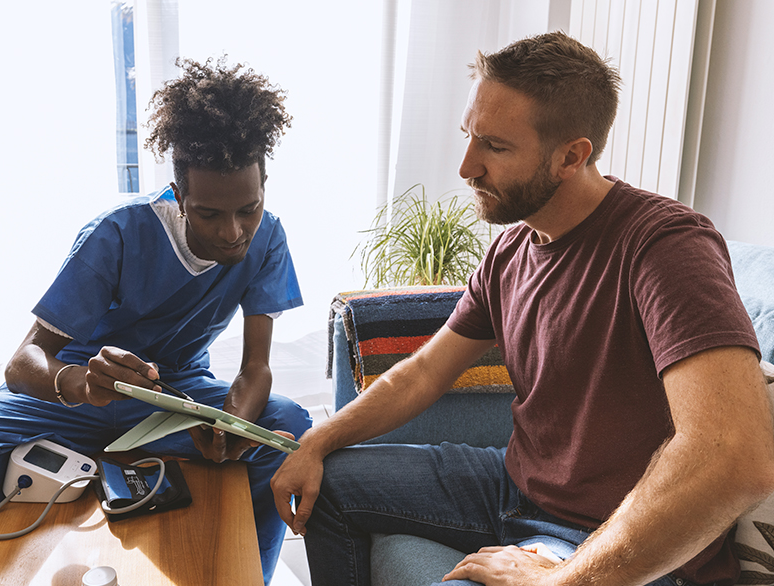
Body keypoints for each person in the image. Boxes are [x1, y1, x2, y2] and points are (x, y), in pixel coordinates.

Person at [270, 32, 774, 586]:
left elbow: (734, 457)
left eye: (495, 146)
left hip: (601, 528)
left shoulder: (664, 245)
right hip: (511, 485)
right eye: (469, 137)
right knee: (329, 480)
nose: (466, 168)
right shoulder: (511, 250)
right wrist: (316, 440)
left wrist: (559, 580)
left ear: (572, 156)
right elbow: (420, 374)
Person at [0, 56, 311, 585]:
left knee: (286, 425)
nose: (232, 232)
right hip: (80, 391)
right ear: (178, 196)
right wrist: (80, 383)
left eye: (248, 208)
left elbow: (255, 368)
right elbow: (22, 363)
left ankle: (247, 575)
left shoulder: (268, 237)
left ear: (264, 185)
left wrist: (226, 423)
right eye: (209, 214)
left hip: (175, 396)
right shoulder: (118, 233)